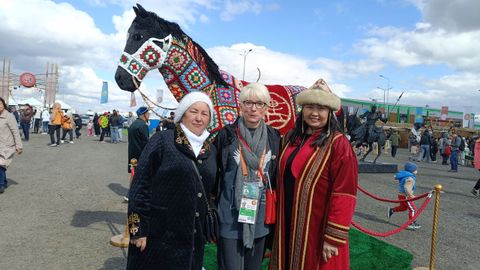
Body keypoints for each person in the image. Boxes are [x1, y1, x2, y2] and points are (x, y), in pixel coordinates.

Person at [270, 79, 358, 270]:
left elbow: (345, 194)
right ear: (303, 110)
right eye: (310, 107)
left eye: (321, 108)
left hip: (317, 228)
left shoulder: (339, 144)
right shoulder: (290, 138)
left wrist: (334, 237)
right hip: (287, 222)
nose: (315, 113)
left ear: (330, 113)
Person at [127, 92, 216, 270]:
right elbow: (139, 187)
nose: (199, 118)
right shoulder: (162, 140)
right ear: (183, 113)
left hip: (192, 236)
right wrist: (138, 230)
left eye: (204, 114)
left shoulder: (210, 149)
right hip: (159, 233)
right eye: (193, 111)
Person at [214, 83, 280, 270]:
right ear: (240, 105)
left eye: (259, 103)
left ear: (266, 108)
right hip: (230, 216)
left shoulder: (274, 137)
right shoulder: (226, 135)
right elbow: (213, 174)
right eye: (248, 102)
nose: (253, 108)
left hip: (260, 218)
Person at [387, 162, 421, 230]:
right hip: (406, 196)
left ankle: (392, 210)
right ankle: (411, 223)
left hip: (401, 195)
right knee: (413, 209)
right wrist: (410, 195)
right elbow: (406, 187)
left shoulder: (405, 175)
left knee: (403, 207)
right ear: (411, 171)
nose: (417, 171)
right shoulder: (410, 178)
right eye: (415, 170)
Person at [0, 97, 23, 194]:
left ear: (3, 105)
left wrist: (19, 146)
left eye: (0, 104)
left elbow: (15, 132)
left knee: (0, 165)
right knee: (2, 165)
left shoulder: (9, 116)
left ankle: (0, 184)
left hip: (6, 145)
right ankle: (4, 181)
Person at [127, 107, 150, 174]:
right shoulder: (143, 125)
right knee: (140, 175)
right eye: (148, 113)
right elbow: (146, 142)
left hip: (132, 153)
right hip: (140, 154)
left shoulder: (133, 124)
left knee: (133, 172)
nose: (149, 115)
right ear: (144, 115)